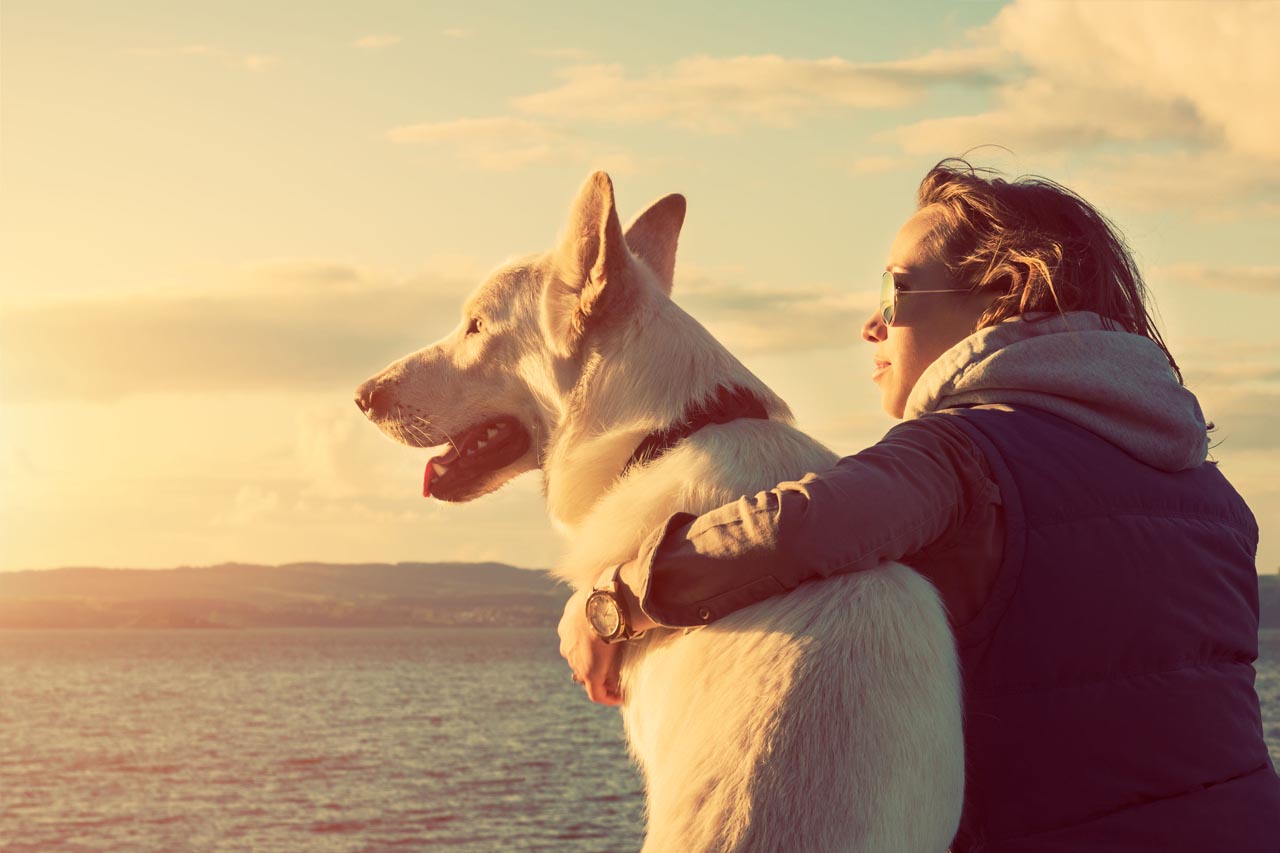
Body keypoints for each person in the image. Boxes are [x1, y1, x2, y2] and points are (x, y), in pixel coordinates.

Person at [558, 159, 1280, 851]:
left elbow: (796, 527)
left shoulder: (958, 455)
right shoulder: (1210, 493)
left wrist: (614, 598)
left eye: (894, 293)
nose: (871, 326)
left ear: (1003, 290)